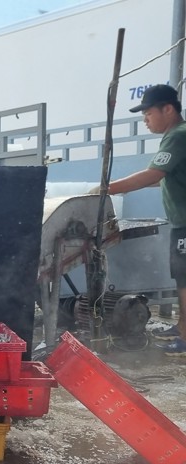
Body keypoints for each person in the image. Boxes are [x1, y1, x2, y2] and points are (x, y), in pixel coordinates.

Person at [95, 84, 186, 354]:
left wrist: (106, 188)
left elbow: (153, 174)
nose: (145, 119)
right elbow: (163, 178)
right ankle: (182, 326)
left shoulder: (178, 135)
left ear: (167, 109)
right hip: (181, 222)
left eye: (148, 113)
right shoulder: (176, 136)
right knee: (182, 278)